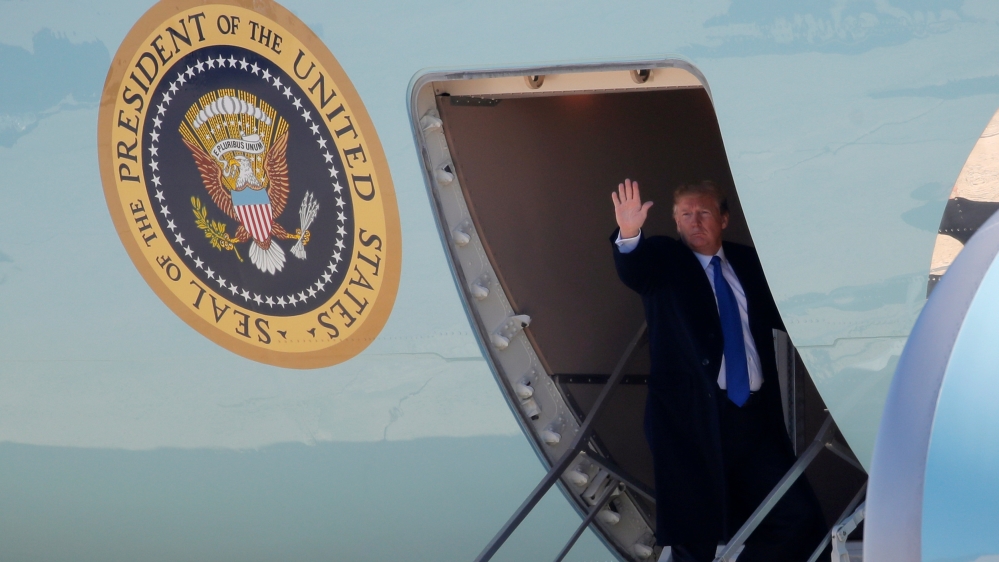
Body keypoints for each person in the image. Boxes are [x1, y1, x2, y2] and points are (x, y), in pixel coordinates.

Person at [610, 179, 825, 562]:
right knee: (695, 538)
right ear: (675, 222)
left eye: (704, 213)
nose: (695, 222)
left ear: (724, 219)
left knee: (798, 518)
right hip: (691, 422)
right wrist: (629, 233)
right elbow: (635, 270)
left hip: (753, 420)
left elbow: (797, 310)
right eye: (685, 215)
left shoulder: (748, 263)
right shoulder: (664, 260)